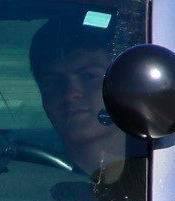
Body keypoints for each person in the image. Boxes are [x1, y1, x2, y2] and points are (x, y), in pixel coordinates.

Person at [29, 17, 124, 175]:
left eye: (89, 76)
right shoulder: (19, 178)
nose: (70, 93)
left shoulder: (169, 170)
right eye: (54, 82)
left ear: (127, 85)